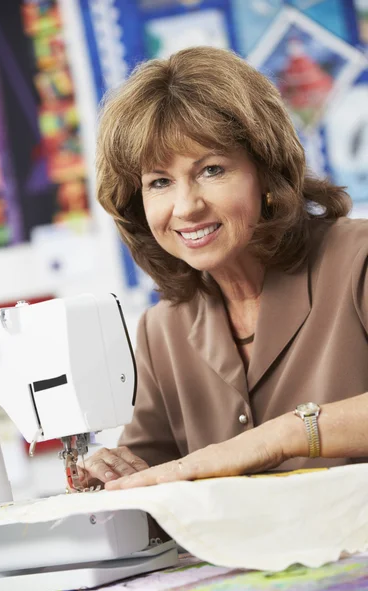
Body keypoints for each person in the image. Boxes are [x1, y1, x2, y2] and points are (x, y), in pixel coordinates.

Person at [78, 46, 368, 492]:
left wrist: (285, 434)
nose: (186, 206)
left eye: (212, 170)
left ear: (266, 174)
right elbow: (155, 481)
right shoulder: (163, 333)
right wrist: (110, 478)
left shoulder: (357, 260)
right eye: (159, 182)